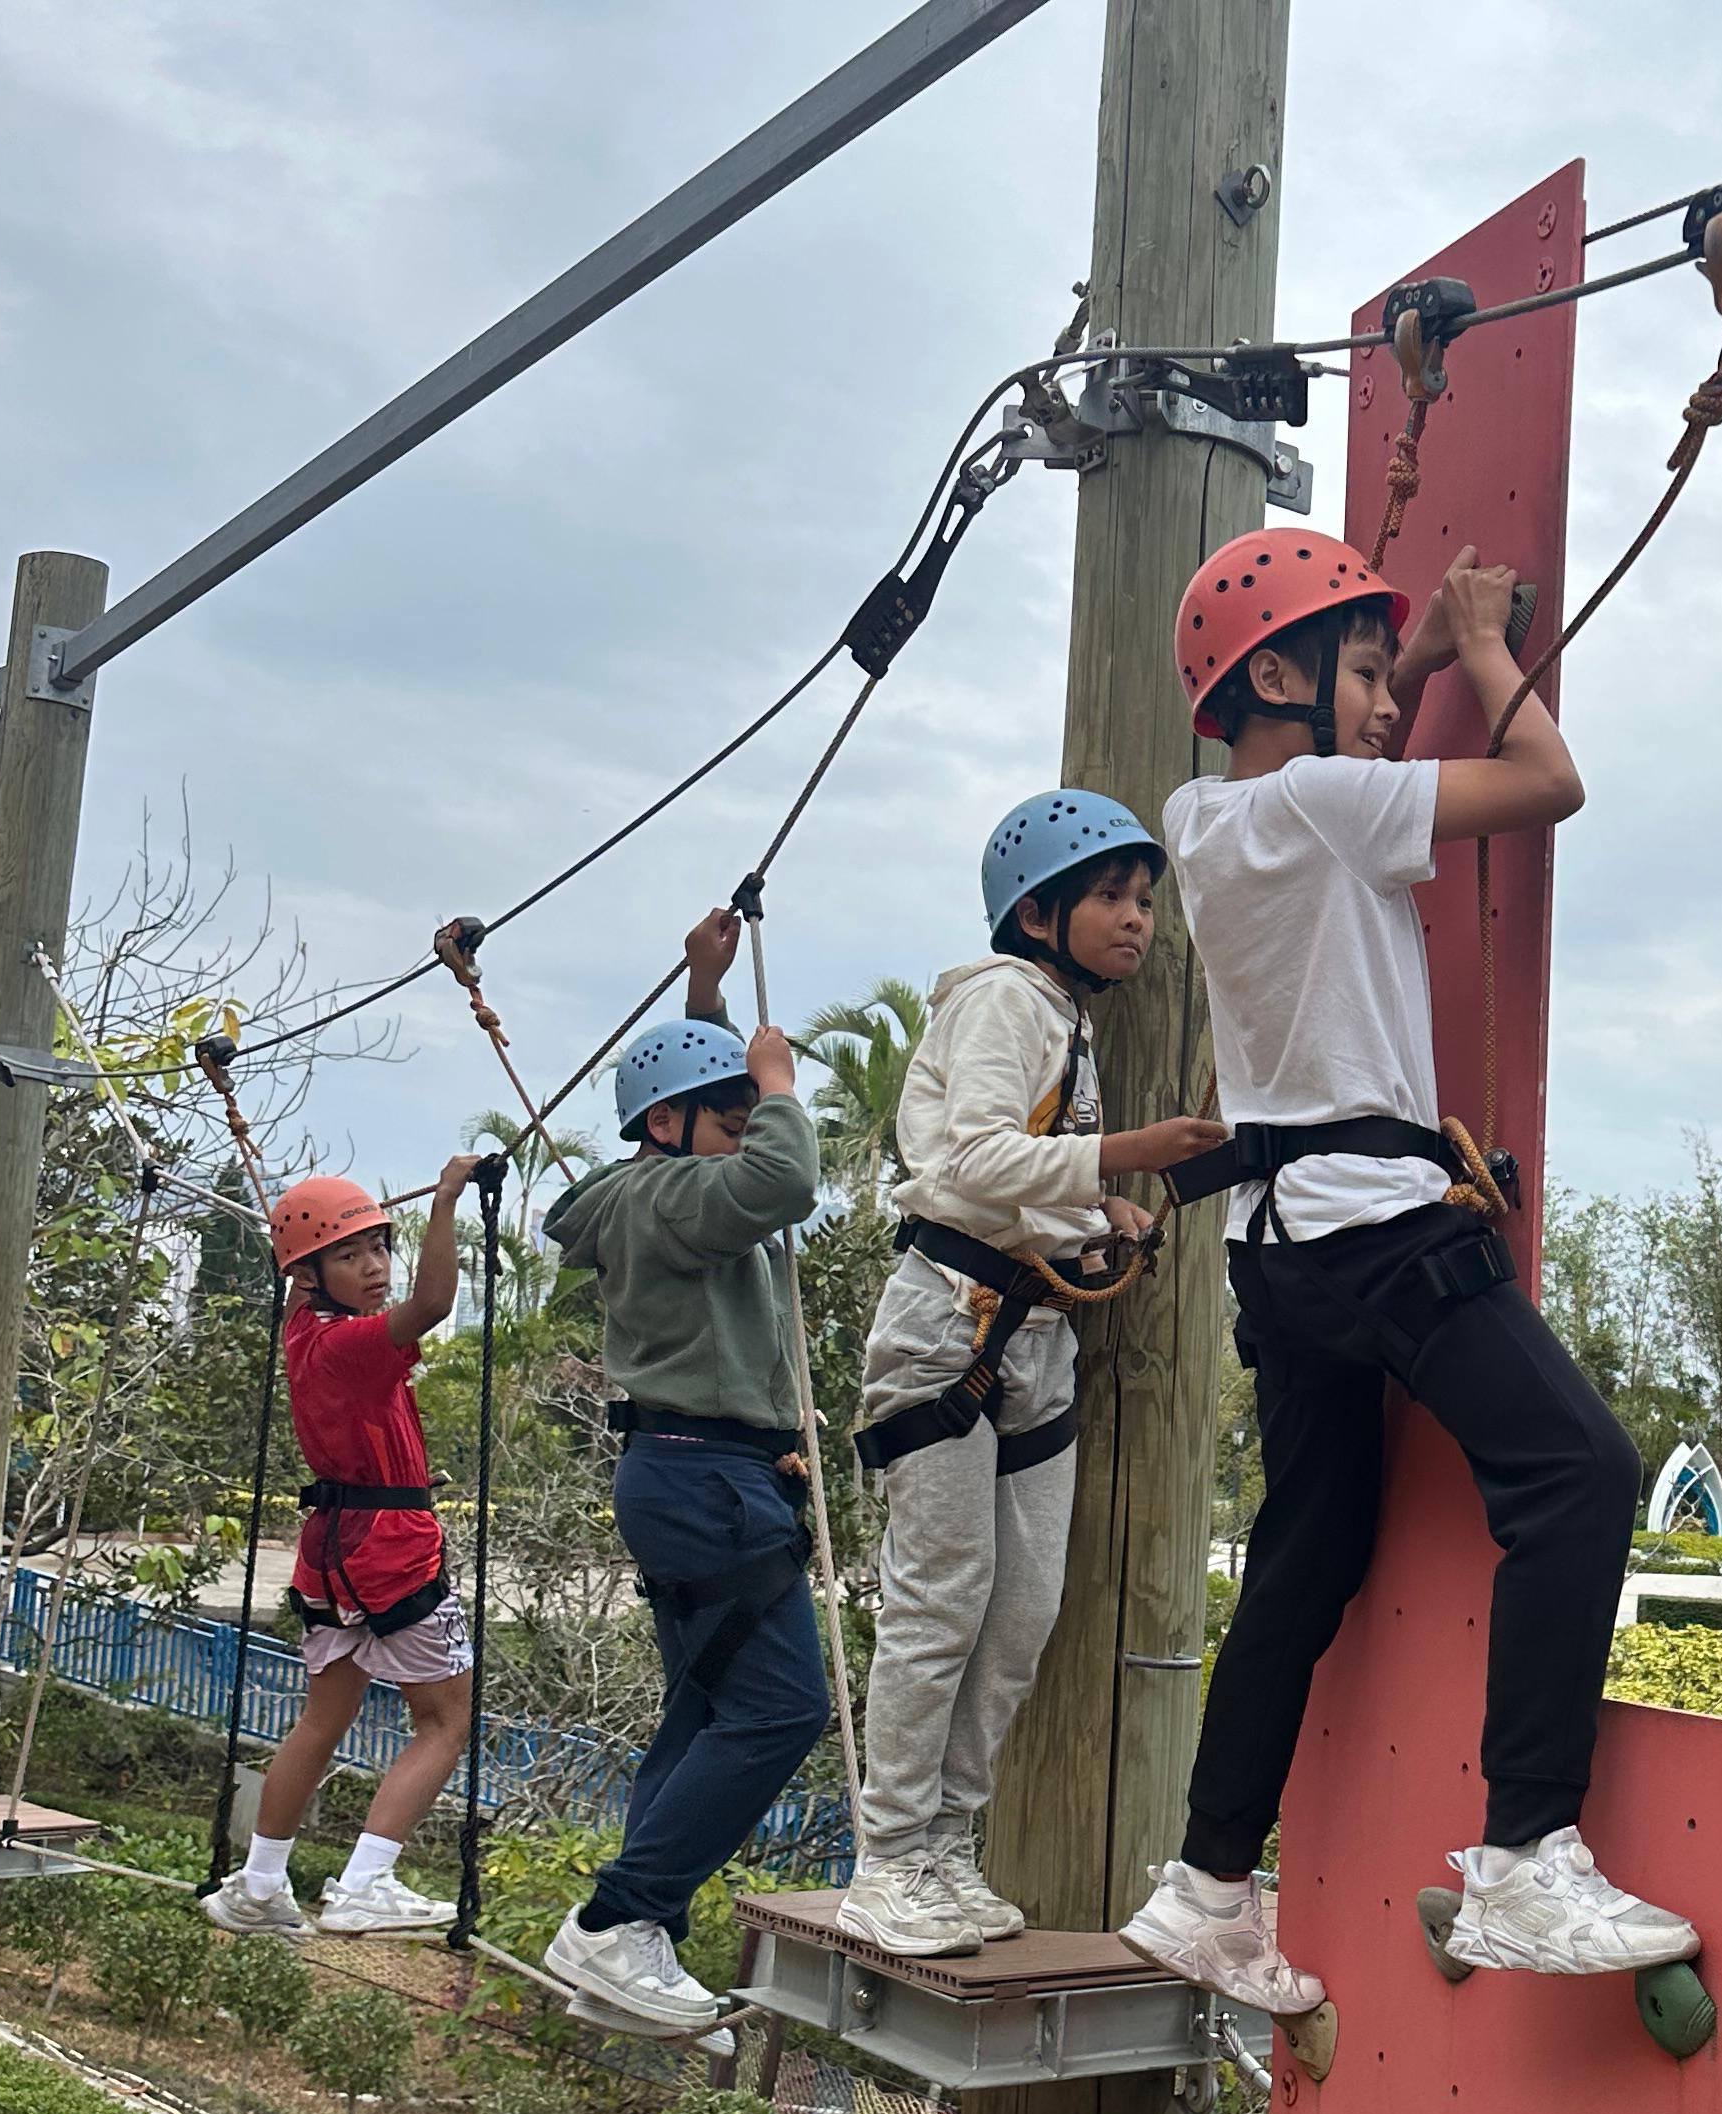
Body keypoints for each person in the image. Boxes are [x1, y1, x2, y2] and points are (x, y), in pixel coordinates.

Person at [1122, 526, 1695, 2018]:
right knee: (1577, 1472)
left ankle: (1206, 1887)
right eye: (1367, 676)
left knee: (1308, 1553)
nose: (1394, 702)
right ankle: (1525, 1855)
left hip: (1277, 1250)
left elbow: (1346, 761)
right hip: (1382, 1226)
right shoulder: (1329, 804)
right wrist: (1486, 646)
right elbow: (1548, 783)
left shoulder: (1204, 818)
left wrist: (1414, 646)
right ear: (1281, 682)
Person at [837, 790, 1224, 1956]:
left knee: (1019, 1610)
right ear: (1038, 912)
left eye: (1144, 899)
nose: (1137, 918)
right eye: (1110, 896)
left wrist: (1104, 1212)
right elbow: (969, 1161)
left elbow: (1024, 1172)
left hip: (1031, 1333)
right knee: (943, 1595)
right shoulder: (1006, 995)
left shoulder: (1065, 1017)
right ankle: (888, 1859)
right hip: (949, 1324)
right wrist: (1127, 1155)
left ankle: (945, 1844)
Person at [541, 913, 825, 2037]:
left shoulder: (652, 1193)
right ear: (667, 1125)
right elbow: (784, 1177)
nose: (747, 1133)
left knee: (707, 1706)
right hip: (710, 1478)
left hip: (688, 1471)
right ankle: (619, 1916)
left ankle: (632, 1935)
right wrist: (779, 1085)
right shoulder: (675, 1199)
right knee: (782, 1709)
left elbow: (710, 1118)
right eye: (730, 1121)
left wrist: (707, 997)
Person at [200, 1158, 487, 1936]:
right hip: (390, 1552)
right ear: (310, 1274)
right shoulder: (351, 1345)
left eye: (379, 1248)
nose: (374, 1268)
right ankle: (365, 1883)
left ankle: (260, 1884)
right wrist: (446, 1199)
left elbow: (320, 1281)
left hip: (331, 1552)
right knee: (445, 1720)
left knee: (323, 1720)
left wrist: (309, 1243)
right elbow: (433, 1303)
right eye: (351, 1256)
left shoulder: (304, 1328)